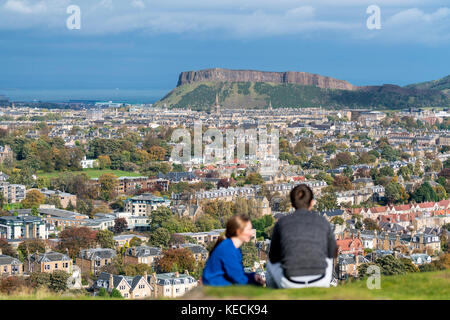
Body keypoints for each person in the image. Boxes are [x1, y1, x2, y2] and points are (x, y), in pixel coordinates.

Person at [266, 184, 338, 288]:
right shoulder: (323, 222)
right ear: (312, 203)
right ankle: (331, 285)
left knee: (269, 265)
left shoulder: (282, 223)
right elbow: (332, 253)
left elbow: (273, 256)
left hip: (290, 283)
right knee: (328, 257)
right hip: (320, 280)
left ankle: (273, 296)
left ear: (291, 204)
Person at [202, 214, 265, 286]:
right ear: (238, 232)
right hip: (215, 288)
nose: (251, 233)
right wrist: (254, 282)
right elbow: (238, 279)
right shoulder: (228, 249)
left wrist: (253, 276)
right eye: (249, 230)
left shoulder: (233, 247)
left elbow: (236, 273)